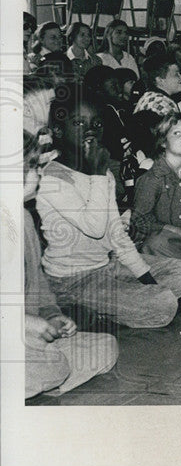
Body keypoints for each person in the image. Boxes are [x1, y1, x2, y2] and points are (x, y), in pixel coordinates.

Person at [36, 91, 181, 328]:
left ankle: (104, 309)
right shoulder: (53, 179)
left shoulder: (103, 173)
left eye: (97, 124)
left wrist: (147, 280)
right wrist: (97, 174)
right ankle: (81, 307)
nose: (90, 130)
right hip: (71, 280)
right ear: (57, 131)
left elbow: (115, 234)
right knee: (164, 303)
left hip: (107, 265)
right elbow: (95, 227)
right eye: (79, 123)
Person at [22, 130, 119, 398]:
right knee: (55, 365)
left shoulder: (24, 220)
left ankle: (41, 377)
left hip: (30, 335)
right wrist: (25, 324)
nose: (39, 174)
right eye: (32, 166)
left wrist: (52, 314)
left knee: (106, 346)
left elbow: (38, 283)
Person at [130, 112, 181, 262]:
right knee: (157, 243)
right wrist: (173, 229)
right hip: (161, 239)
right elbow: (140, 220)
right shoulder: (152, 178)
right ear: (163, 142)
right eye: (177, 133)